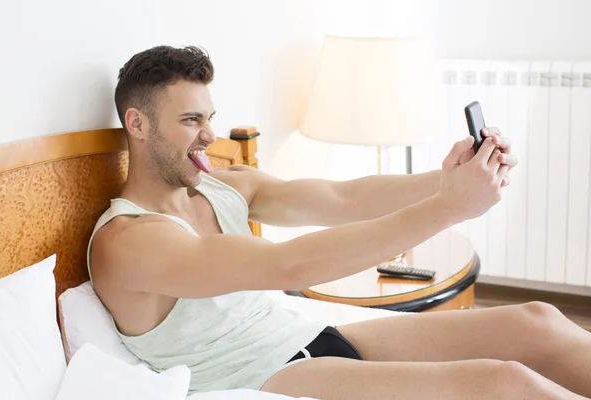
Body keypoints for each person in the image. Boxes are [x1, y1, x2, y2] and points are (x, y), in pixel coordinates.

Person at [87, 45, 591, 400]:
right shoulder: (129, 240)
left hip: (303, 336)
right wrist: (449, 208)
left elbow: (343, 197)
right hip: (263, 374)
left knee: (537, 321)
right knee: (504, 385)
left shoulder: (224, 187)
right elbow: (291, 265)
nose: (209, 135)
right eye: (191, 121)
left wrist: (449, 180)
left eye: (209, 117)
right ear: (138, 124)